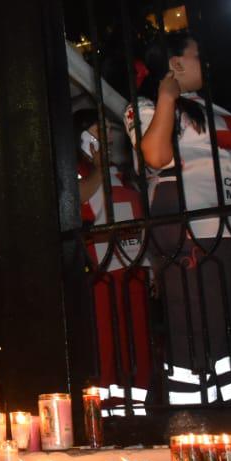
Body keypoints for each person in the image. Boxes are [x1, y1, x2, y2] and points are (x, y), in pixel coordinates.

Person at [123, 30, 231, 403]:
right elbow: (155, 157)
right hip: (194, 231)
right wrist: (165, 98)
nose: (204, 62)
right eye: (196, 55)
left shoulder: (222, 113)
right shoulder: (145, 108)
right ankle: (198, 419)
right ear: (175, 63)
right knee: (196, 327)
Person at [74, 108, 152, 392]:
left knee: (140, 336)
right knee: (107, 336)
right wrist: (98, 168)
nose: (106, 135)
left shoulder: (125, 172)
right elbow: (77, 200)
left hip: (135, 263)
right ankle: (109, 401)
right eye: (99, 129)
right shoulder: (78, 170)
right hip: (102, 266)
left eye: (109, 128)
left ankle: (142, 396)